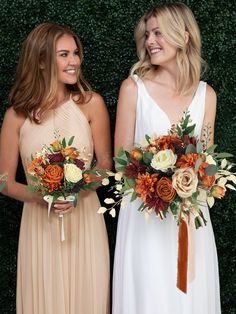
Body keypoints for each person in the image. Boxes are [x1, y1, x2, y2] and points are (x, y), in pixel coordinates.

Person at [113, 3, 221, 314]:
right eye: (147, 34)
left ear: (184, 36)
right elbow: (121, 164)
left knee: (190, 297)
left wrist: (193, 180)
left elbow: (207, 162)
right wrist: (158, 182)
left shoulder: (207, 95)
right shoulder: (134, 89)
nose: (150, 41)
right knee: (149, 296)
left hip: (190, 218)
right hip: (145, 219)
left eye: (159, 33)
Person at [0, 22, 112, 314]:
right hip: (40, 226)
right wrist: (41, 195)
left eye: (75, 53)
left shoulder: (92, 105)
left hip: (85, 220)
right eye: (64, 54)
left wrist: (78, 189)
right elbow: (3, 182)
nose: (74, 61)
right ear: (40, 60)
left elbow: (105, 165)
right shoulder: (16, 116)